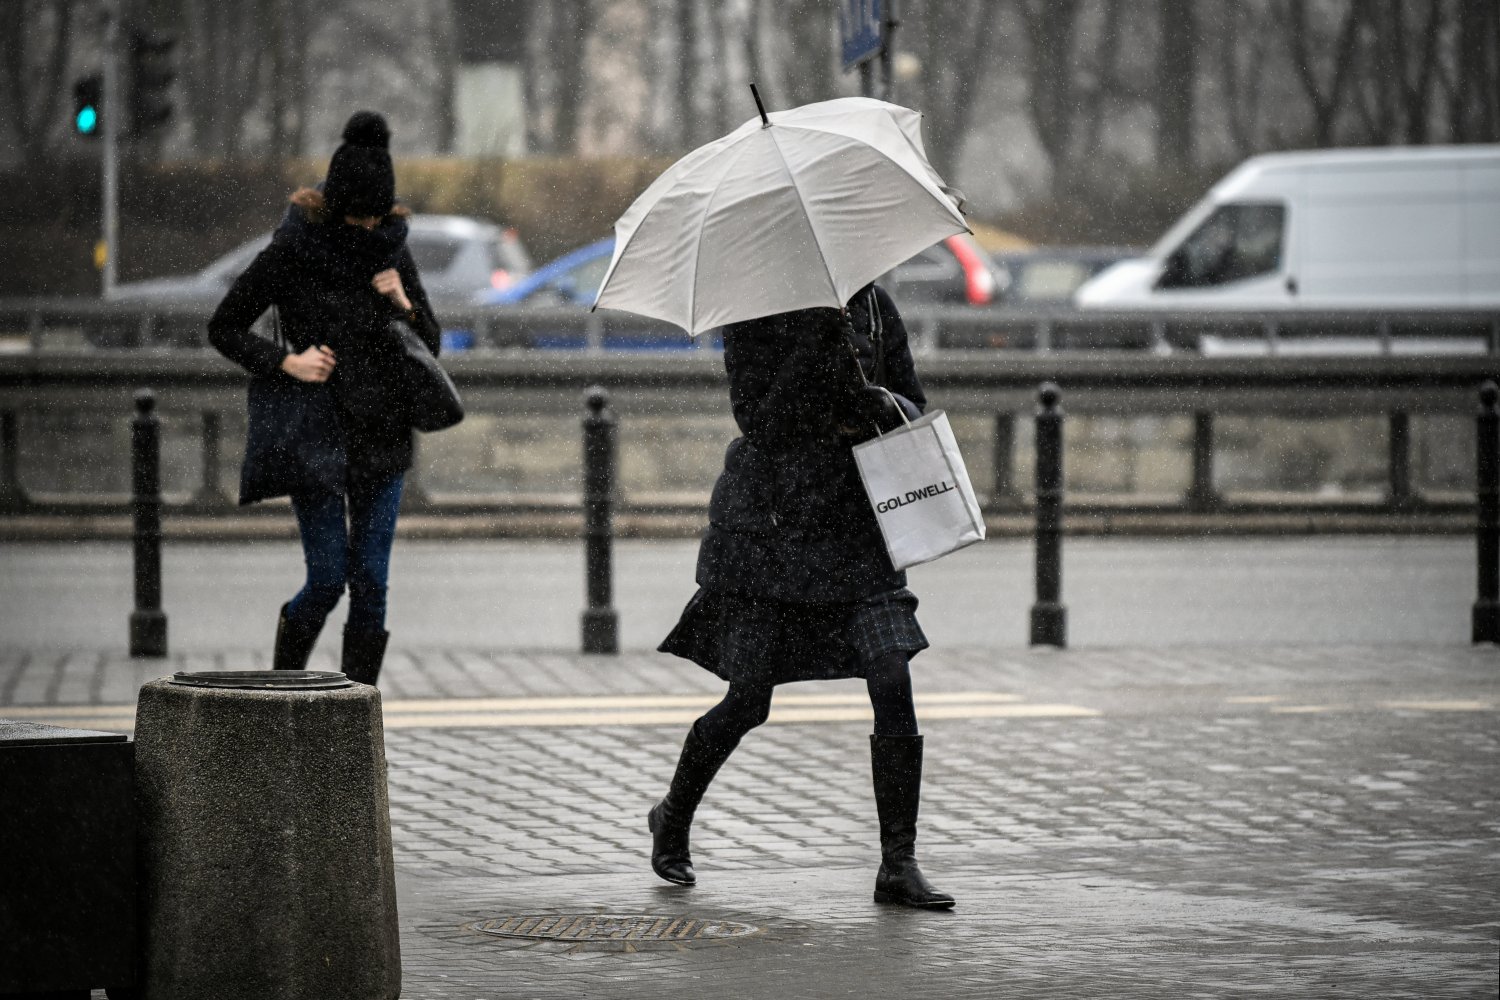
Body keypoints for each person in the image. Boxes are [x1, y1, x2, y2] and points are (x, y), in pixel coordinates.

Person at [653, 283, 955, 910]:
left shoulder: (873, 305)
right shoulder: (753, 311)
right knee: (748, 700)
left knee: (891, 675)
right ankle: (672, 814)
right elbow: (759, 419)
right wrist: (816, 341)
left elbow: (912, 404)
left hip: (857, 527)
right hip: (773, 531)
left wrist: (878, 401)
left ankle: (898, 863)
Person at [207, 110, 441, 685]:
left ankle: (357, 717)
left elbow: (431, 344)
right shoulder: (294, 248)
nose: (367, 229)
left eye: (376, 217)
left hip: (382, 439)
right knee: (328, 579)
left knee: (372, 585)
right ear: (336, 206)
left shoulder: (391, 248)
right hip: (315, 438)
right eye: (359, 218)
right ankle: (284, 691)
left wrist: (403, 302)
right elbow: (224, 325)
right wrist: (288, 361)